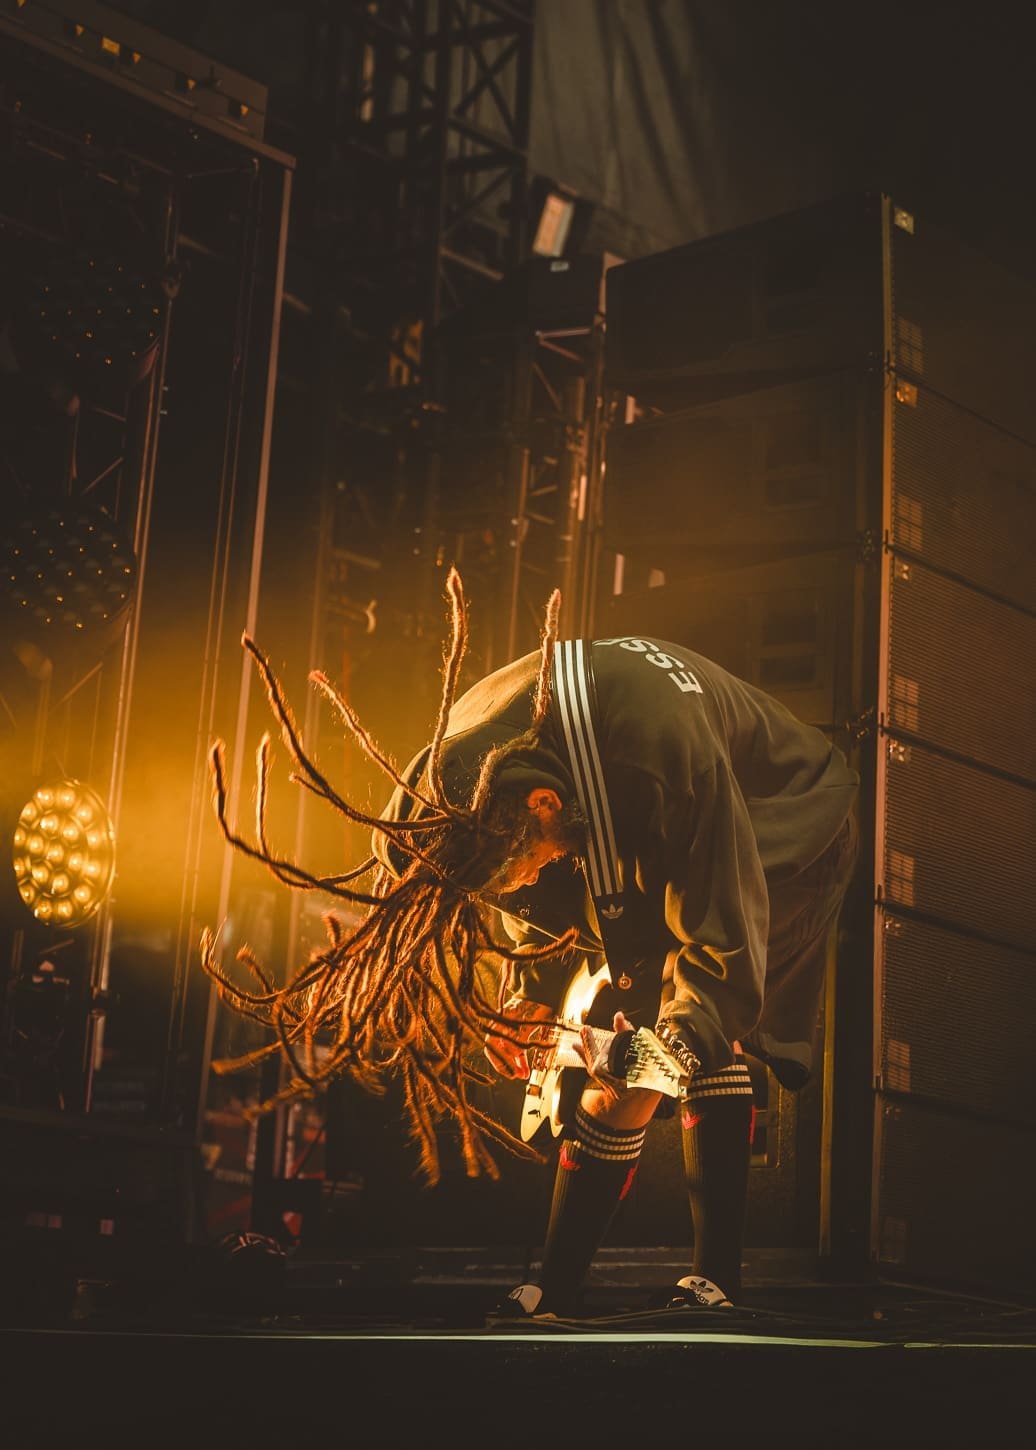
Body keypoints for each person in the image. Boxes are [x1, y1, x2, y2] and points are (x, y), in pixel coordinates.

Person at [202, 568, 859, 1318]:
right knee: (622, 1053)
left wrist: (681, 1037)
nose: (523, 882)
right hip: (643, 821)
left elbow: (722, 941)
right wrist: (531, 994)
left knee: (690, 1030)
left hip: (783, 819)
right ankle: (558, 1288)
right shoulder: (471, 774)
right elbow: (521, 887)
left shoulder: (660, 755)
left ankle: (714, 1285)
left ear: (544, 803)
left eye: (521, 866)